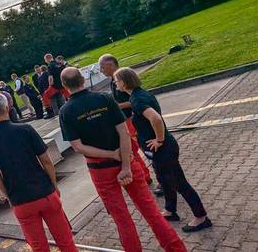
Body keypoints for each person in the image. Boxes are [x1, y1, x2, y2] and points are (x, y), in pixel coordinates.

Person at [58, 67, 186, 252]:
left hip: (100, 170)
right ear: (83, 80)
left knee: (122, 219)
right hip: (126, 161)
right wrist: (125, 165)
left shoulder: (66, 111)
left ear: (64, 86)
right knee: (151, 211)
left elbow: (78, 147)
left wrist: (110, 155)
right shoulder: (104, 98)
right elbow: (124, 132)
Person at [114, 67, 212, 233]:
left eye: (117, 81)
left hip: (163, 150)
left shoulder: (137, 100)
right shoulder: (140, 94)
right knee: (165, 180)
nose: (116, 84)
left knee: (180, 183)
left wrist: (159, 140)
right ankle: (170, 210)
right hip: (161, 151)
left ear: (123, 83)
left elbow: (156, 118)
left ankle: (201, 217)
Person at [0, 93, 78, 252]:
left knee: (38, 246)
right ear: (8, 107)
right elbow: (46, 161)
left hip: (21, 201)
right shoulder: (25, 129)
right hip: (45, 194)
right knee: (65, 241)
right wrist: (54, 185)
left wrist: (9, 197)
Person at [98, 54, 154, 186]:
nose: (101, 70)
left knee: (144, 148)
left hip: (132, 120)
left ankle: (159, 176)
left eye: (102, 67)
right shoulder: (113, 80)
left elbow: (134, 99)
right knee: (132, 151)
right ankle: (144, 176)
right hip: (126, 121)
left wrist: (116, 106)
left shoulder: (122, 78)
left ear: (110, 65)